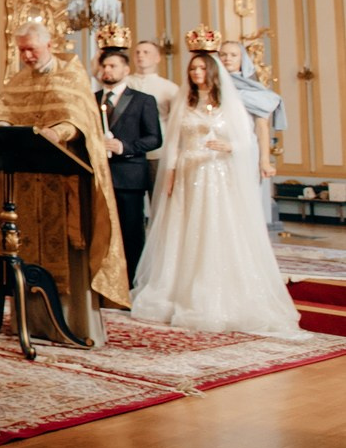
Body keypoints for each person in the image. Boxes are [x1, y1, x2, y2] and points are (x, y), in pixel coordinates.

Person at [130, 46, 303, 337]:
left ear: (212, 72)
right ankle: (177, 292)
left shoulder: (230, 103)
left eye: (201, 69)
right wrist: (170, 174)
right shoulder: (185, 102)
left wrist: (231, 146)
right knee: (184, 232)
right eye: (193, 69)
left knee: (216, 229)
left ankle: (217, 293)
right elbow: (173, 143)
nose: (197, 74)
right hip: (188, 174)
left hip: (217, 176)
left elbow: (247, 140)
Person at [0, 21, 127, 346]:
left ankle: (74, 323)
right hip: (25, 184)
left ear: (49, 45)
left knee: (67, 253)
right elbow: (2, 107)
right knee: (27, 249)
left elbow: (78, 118)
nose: (27, 56)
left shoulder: (71, 74)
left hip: (63, 185)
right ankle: (32, 324)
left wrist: (57, 133)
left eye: (32, 49)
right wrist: (0, 122)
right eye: (21, 50)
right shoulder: (18, 79)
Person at [95, 48, 162, 284]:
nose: (107, 70)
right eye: (104, 66)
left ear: (126, 70)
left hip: (129, 176)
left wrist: (123, 147)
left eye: (113, 66)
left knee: (131, 232)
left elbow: (154, 138)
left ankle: (132, 281)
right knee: (100, 232)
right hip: (98, 177)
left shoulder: (143, 101)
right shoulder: (92, 100)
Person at [219, 40, 285, 227]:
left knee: (243, 200)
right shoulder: (210, 83)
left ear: (243, 59)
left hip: (244, 148)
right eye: (223, 54)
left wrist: (264, 160)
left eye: (233, 55)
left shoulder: (254, 89)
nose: (227, 59)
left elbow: (261, 126)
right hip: (216, 146)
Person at [128, 39, 179, 197]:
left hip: (158, 151)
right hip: (129, 150)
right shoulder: (125, 82)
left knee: (158, 196)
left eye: (146, 52)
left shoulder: (169, 88)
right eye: (137, 52)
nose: (140, 56)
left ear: (157, 58)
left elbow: (175, 121)